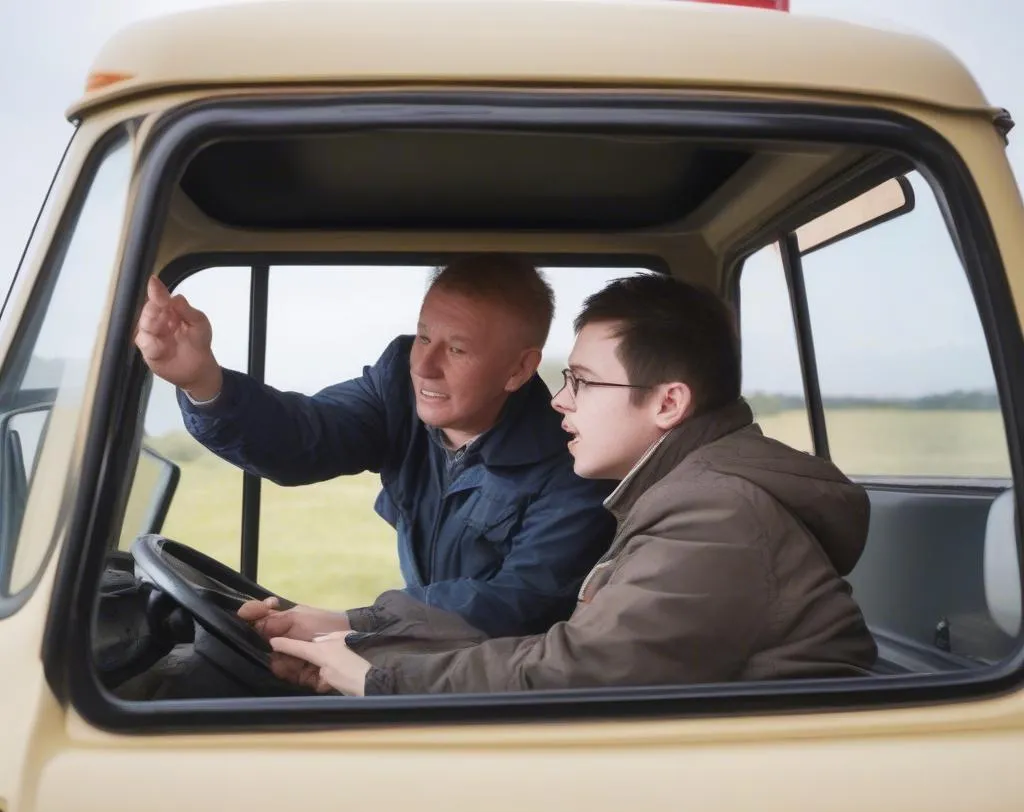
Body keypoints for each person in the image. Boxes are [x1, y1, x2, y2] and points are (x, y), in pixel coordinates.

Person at [249, 273, 879, 696]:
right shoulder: (684, 495)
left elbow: (573, 670)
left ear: (667, 403)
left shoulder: (717, 517)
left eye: (581, 381)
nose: (559, 403)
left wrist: (372, 674)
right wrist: (350, 638)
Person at [134, 254, 615, 638]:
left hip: (501, 691)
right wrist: (202, 382)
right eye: (423, 336)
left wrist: (353, 624)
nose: (424, 366)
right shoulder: (397, 389)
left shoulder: (574, 466)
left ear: (518, 370)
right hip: (420, 649)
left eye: (457, 349)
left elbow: (517, 602)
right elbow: (304, 436)